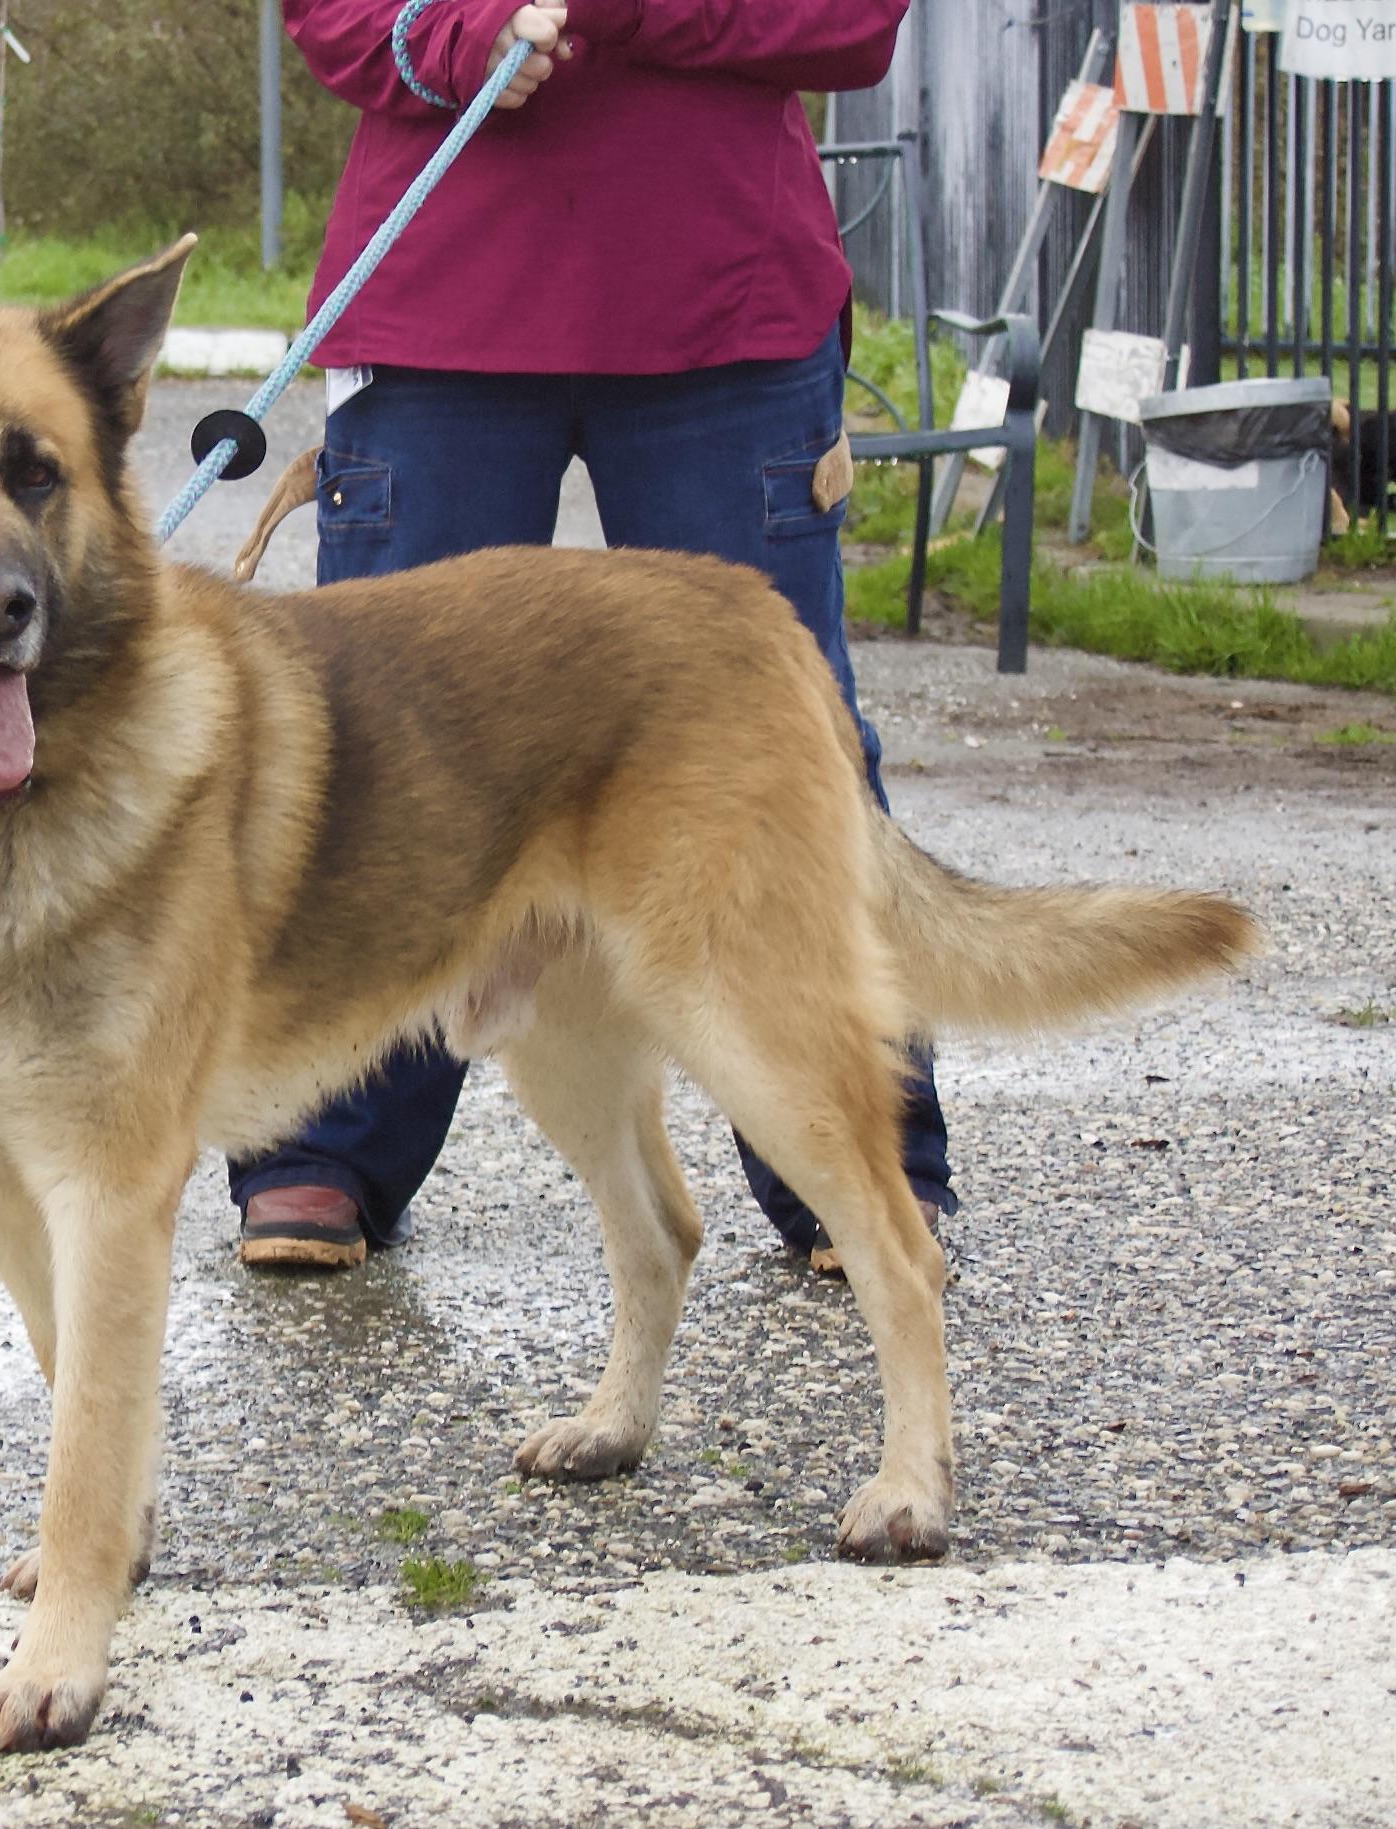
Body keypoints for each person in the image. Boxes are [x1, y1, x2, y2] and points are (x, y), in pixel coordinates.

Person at [234, 0, 954, 1273]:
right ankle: (321, 1137)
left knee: (786, 741)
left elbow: (852, 24)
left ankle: (858, 1153)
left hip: (725, 306)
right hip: (439, 305)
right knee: (373, 745)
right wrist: (446, 38)